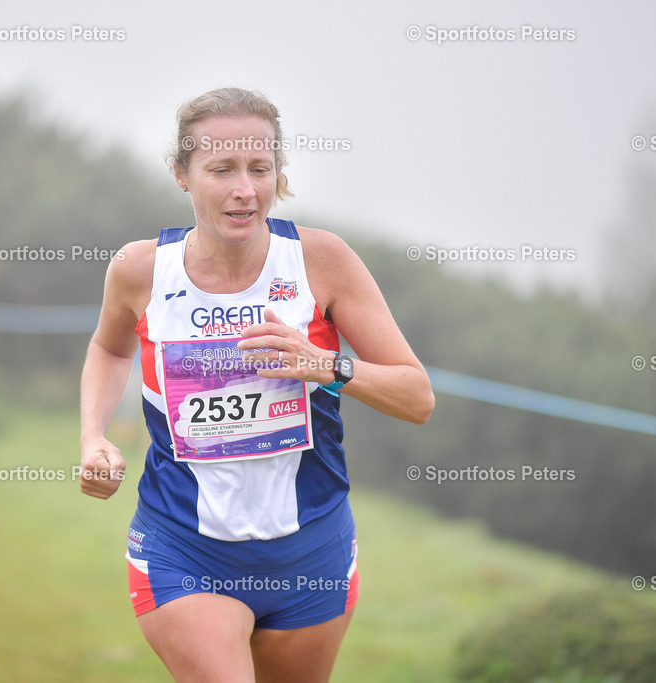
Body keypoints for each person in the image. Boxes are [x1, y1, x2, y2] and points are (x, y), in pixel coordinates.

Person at [79, 87, 434, 682]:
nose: (245, 189)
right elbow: (109, 347)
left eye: (260, 169)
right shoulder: (140, 271)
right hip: (184, 546)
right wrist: (94, 436)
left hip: (310, 549)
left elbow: (416, 396)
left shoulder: (322, 262)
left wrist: (325, 367)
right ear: (182, 175)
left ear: (278, 174)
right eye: (221, 169)